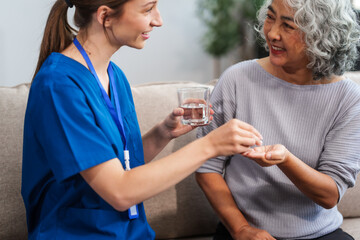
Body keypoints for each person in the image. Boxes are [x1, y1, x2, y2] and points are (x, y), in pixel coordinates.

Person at [21, 0, 264, 239]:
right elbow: (120, 191)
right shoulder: (58, 85)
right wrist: (210, 145)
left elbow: (121, 164)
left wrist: (162, 134)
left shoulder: (115, 77)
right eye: (148, 9)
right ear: (105, 16)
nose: (158, 20)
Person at [195, 0, 360, 239]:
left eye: (288, 26)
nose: (272, 33)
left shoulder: (348, 99)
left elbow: (329, 194)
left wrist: (285, 160)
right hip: (243, 231)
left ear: (321, 35)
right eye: (271, 18)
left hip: (319, 233)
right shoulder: (237, 79)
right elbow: (206, 166)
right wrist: (242, 229)